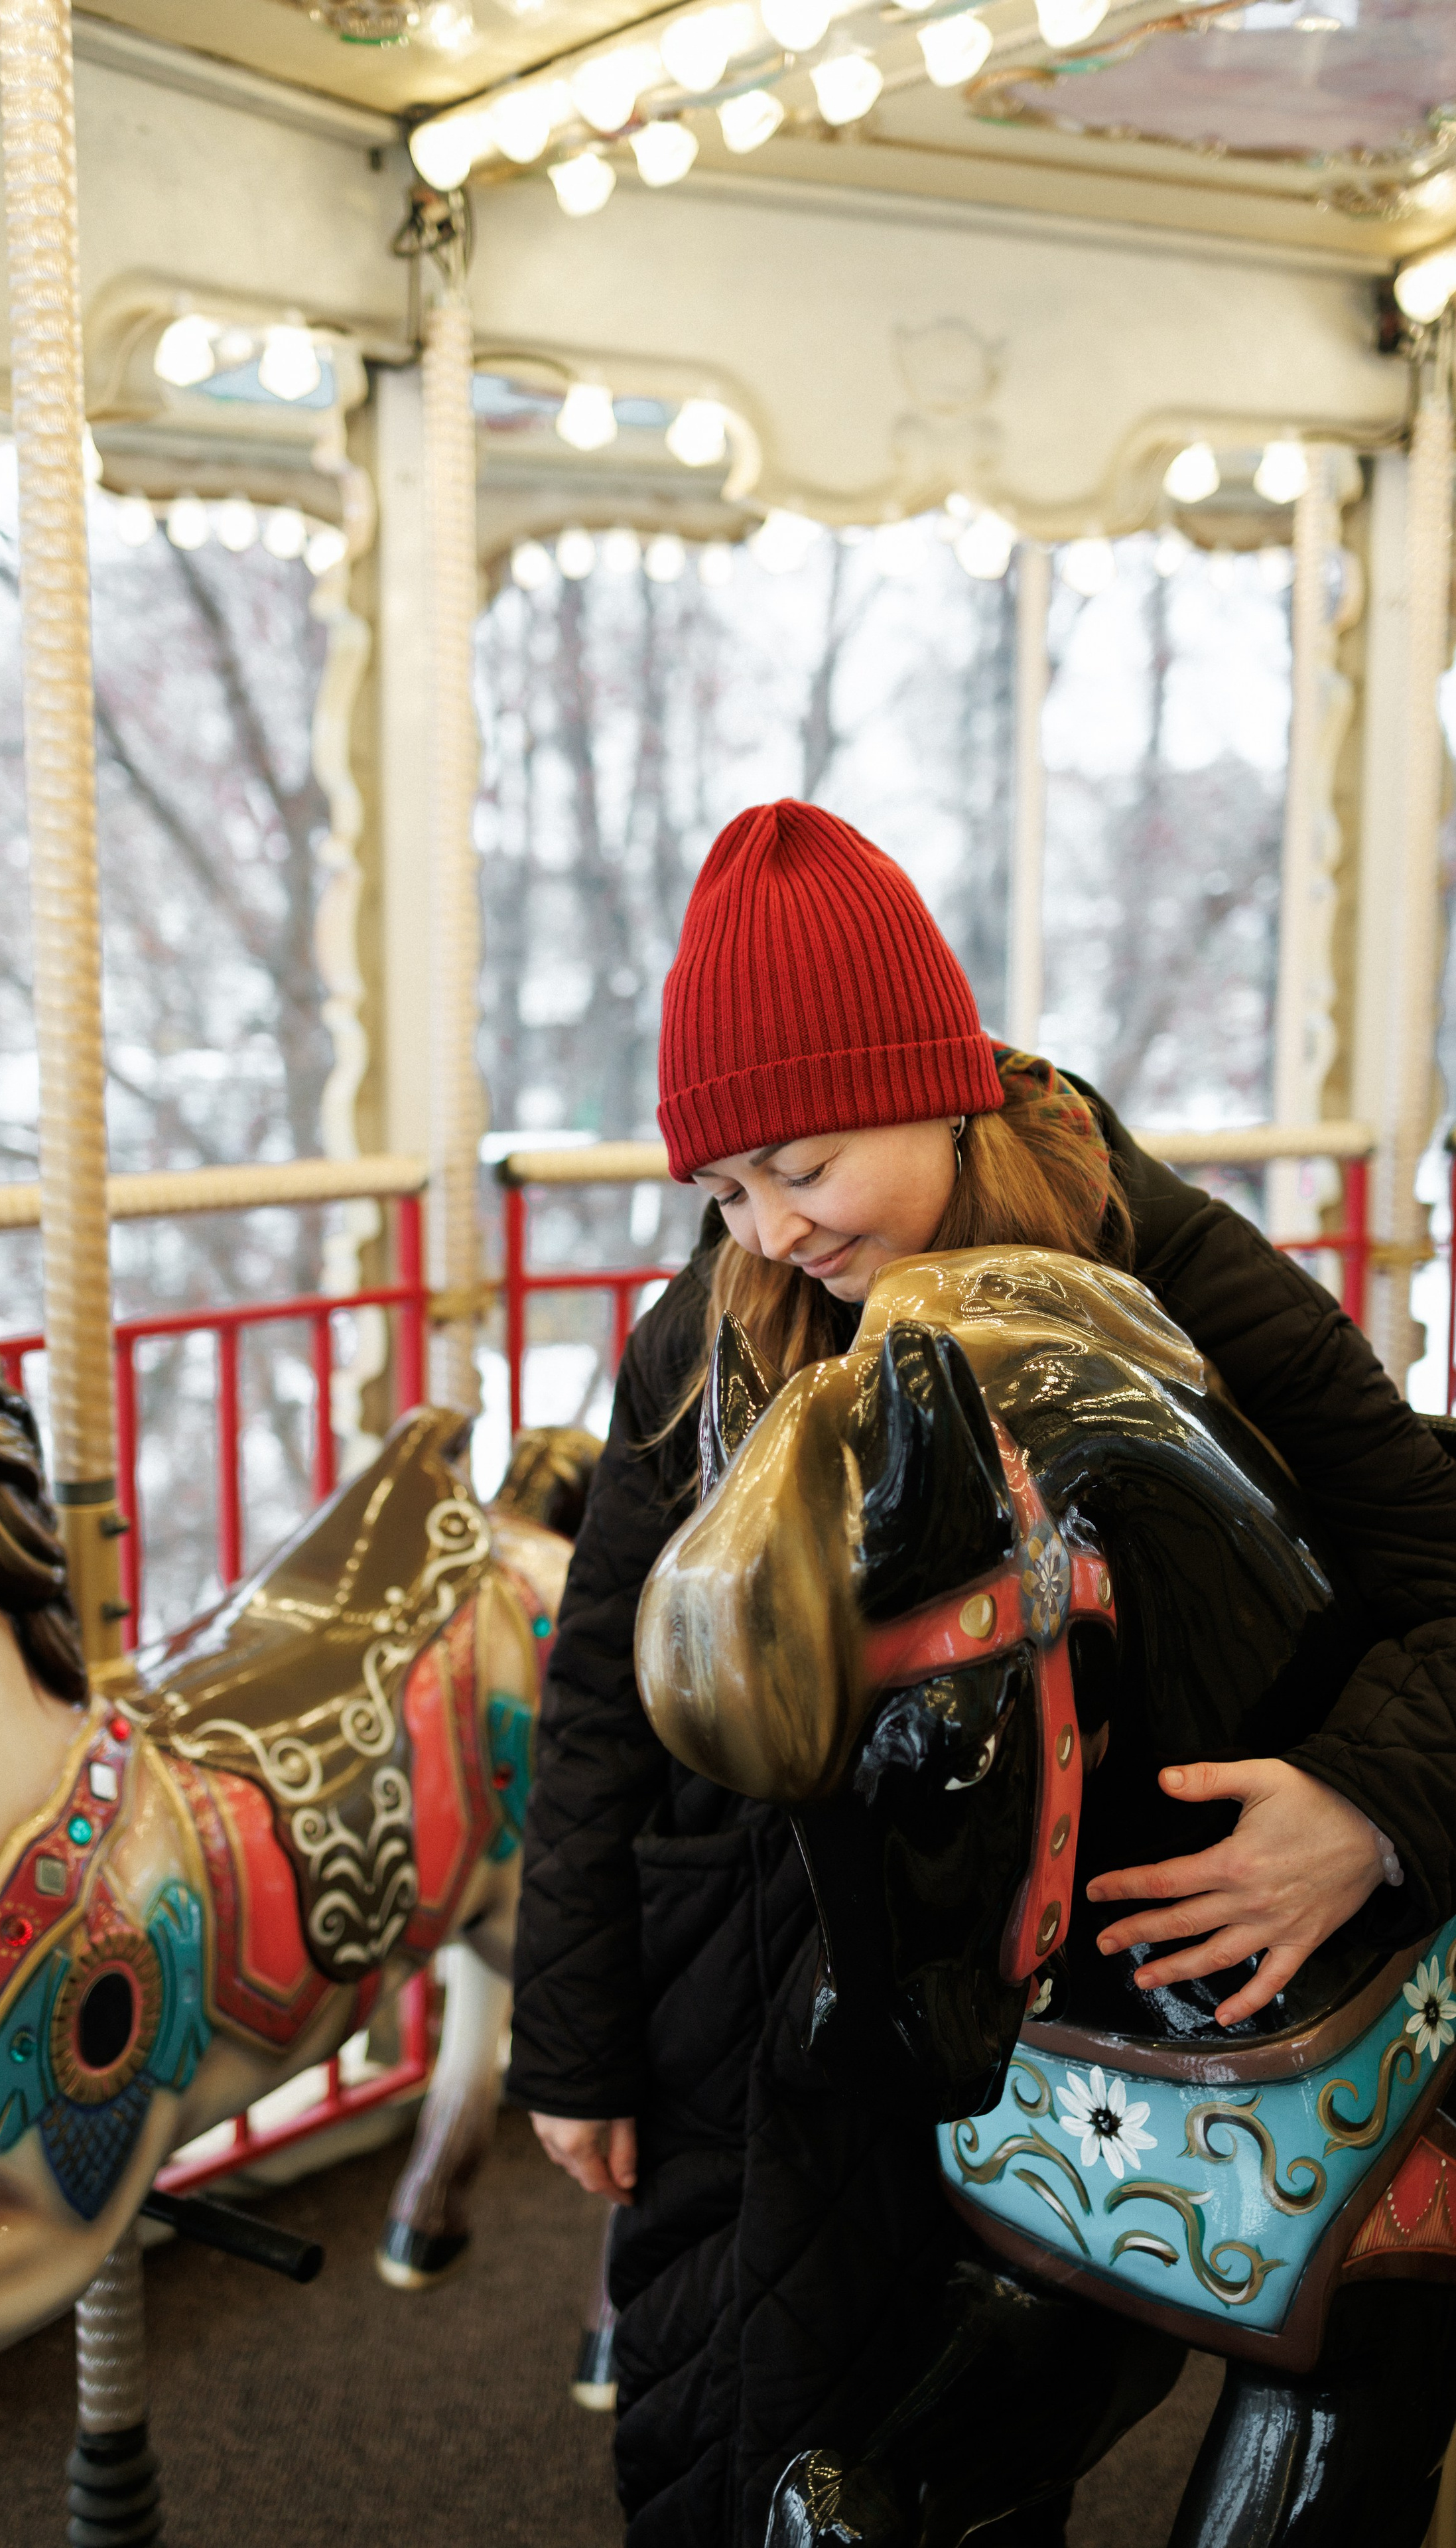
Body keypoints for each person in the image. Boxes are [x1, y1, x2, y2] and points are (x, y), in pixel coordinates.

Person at [506, 799, 1456, 2548]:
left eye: (803, 1168)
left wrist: (1372, 1797)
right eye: (727, 1189)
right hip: (750, 1977)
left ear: (940, 1085)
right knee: (719, 2437)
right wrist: (573, 2029)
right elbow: (595, 1692)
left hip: (1042, 1998)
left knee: (945, 2463)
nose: (771, 1229)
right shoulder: (705, 1333)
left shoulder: (1156, 1266)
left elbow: (1439, 1555)